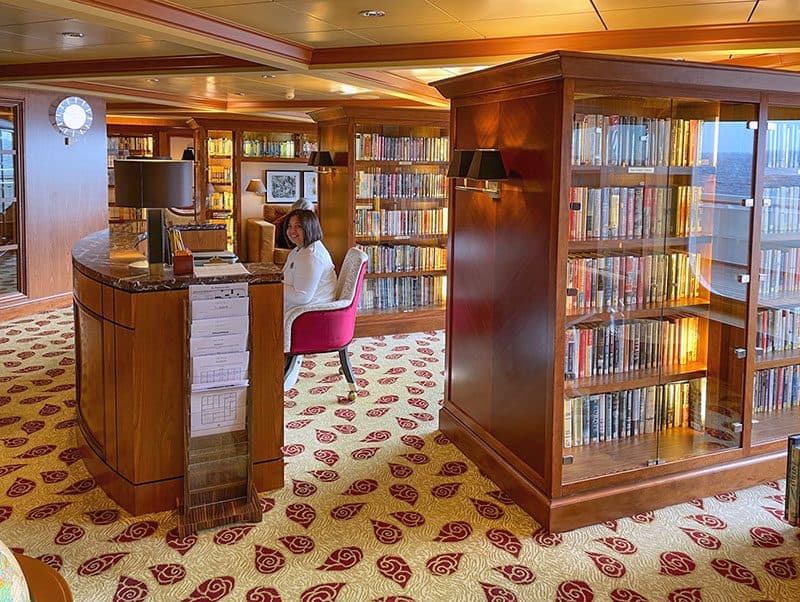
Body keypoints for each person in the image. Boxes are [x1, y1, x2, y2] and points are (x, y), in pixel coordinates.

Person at [282, 208, 337, 389]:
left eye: (298, 226)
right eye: (290, 226)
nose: (292, 231)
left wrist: (273, 289)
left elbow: (301, 297)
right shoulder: (301, 250)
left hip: (309, 315)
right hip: (302, 309)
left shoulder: (311, 256)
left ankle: (274, 369)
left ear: (310, 227)